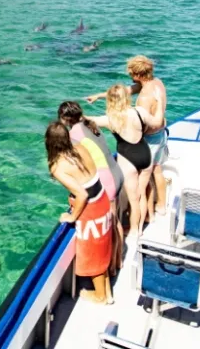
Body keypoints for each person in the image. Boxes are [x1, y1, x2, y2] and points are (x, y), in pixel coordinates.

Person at [86, 56, 168, 218]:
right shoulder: (156, 83)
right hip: (161, 135)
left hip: (150, 140)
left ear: (137, 75)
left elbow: (143, 125)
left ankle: (141, 216)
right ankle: (161, 205)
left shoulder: (144, 98)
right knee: (157, 170)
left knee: (141, 184)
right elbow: (126, 91)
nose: (130, 76)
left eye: (131, 73)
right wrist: (100, 95)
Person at [45, 122, 113, 304]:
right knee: (102, 246)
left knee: (93, 252)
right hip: (102, 198)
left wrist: (71, 216)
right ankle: (107, 292)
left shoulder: (58, 167)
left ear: (48, 142)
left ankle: (100, 296)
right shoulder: (79, 147)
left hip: (90, 208)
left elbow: (81, 194)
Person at [86, 85, 164, 239]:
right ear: (126, 97)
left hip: (127, 160)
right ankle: (141, 227)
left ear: (110, 100)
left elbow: (87, 120)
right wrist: (160, 102)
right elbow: (157, 121)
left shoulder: (110, 119)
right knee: (142, 193)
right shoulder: (139, 112)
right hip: (145, 154)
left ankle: (134, 230)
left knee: (133, 199)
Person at [58, 101, 125, 274]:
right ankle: (118, 261)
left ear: (66, 118)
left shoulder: (74, 134)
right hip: (116, 172)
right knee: (115, 220)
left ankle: (112, 267)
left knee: (109, 225)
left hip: (107, 180)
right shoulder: (90, 124)